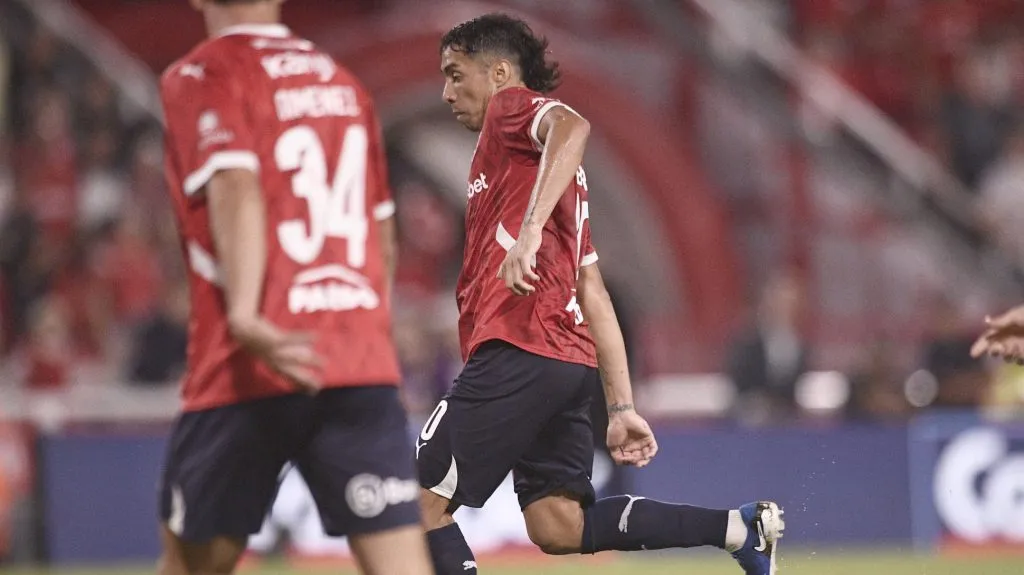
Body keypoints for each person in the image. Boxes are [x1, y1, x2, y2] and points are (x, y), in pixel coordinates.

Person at [415, 13, 785, 575]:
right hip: (565, 364)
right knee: (560, 525)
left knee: (414, 504)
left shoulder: (509, 110)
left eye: (454, 74)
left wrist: (531, 230)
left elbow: (573, 125)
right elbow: (593, 292)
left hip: (519, 348)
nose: (446, 92)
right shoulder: (548, 178)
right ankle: (738, 529)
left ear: (497, 73)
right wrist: (621, 406)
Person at [157, 1, 433, 573]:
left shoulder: (201, 73)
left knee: (192, 566)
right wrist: (373, 334)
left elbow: (236, 182)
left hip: (249, 361)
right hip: (355, 359)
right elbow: (380, 228)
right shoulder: (342, 83)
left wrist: (245, 314)